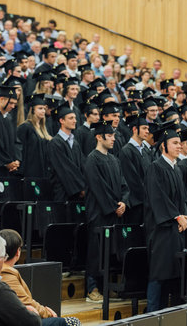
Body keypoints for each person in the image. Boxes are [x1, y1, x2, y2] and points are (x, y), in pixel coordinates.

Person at [144, 121, 187, 312]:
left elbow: (183, 199)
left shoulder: (176, 168)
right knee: (159, 274)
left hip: (175, 230)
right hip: (161, 230)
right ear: (163, 145)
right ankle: (152, 313)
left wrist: (185, 216)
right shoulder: (156, 167)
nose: (179, 146)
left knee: (172, 275)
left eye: (180, 143)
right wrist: (176, 217)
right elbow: (158, 198)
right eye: (174, 143)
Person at [84, 120, 130, 302]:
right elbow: (98, 188)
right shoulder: (91, 160)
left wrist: (124, 203)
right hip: (98, 213)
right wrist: (113, 206)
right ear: (99, 137)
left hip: (114, 213)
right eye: (109, 136)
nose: (113, 139)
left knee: (109, 252)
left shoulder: (114, 159)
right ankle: (92, 288)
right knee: (96, 251)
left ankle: (105, 287)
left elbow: (124, 186)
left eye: (113, 135)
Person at [0, 229, 81, 326]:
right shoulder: (6, 273)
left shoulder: (0, 270)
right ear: (18, 252)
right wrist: (48, 313)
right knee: (73, 322)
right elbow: (26, 302)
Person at [48, 102, 86, 202]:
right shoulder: (55, 143)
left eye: (75, 118)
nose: (75, 121)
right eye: (71, 118)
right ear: (61, 120)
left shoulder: (75, 143)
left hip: (76, 192)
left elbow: (82, 165)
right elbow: (65, 168)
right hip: (62, 192)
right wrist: (80, 187)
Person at [118, 114, 152, 224]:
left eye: (148, 128)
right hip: (135, 204)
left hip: (146, 202)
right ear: (134, 129)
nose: (147, 131)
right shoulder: (126, 151)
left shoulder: (146, 151)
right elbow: (132, 180)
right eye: (144, 128)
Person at [18, 94, 52, 177]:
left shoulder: (43, 129)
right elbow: (20, 149)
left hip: (43, 171)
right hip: (30, 171)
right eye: (40, 108)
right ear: (32, 110)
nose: (43, 111)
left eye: (44, 108)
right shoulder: (25, 127)